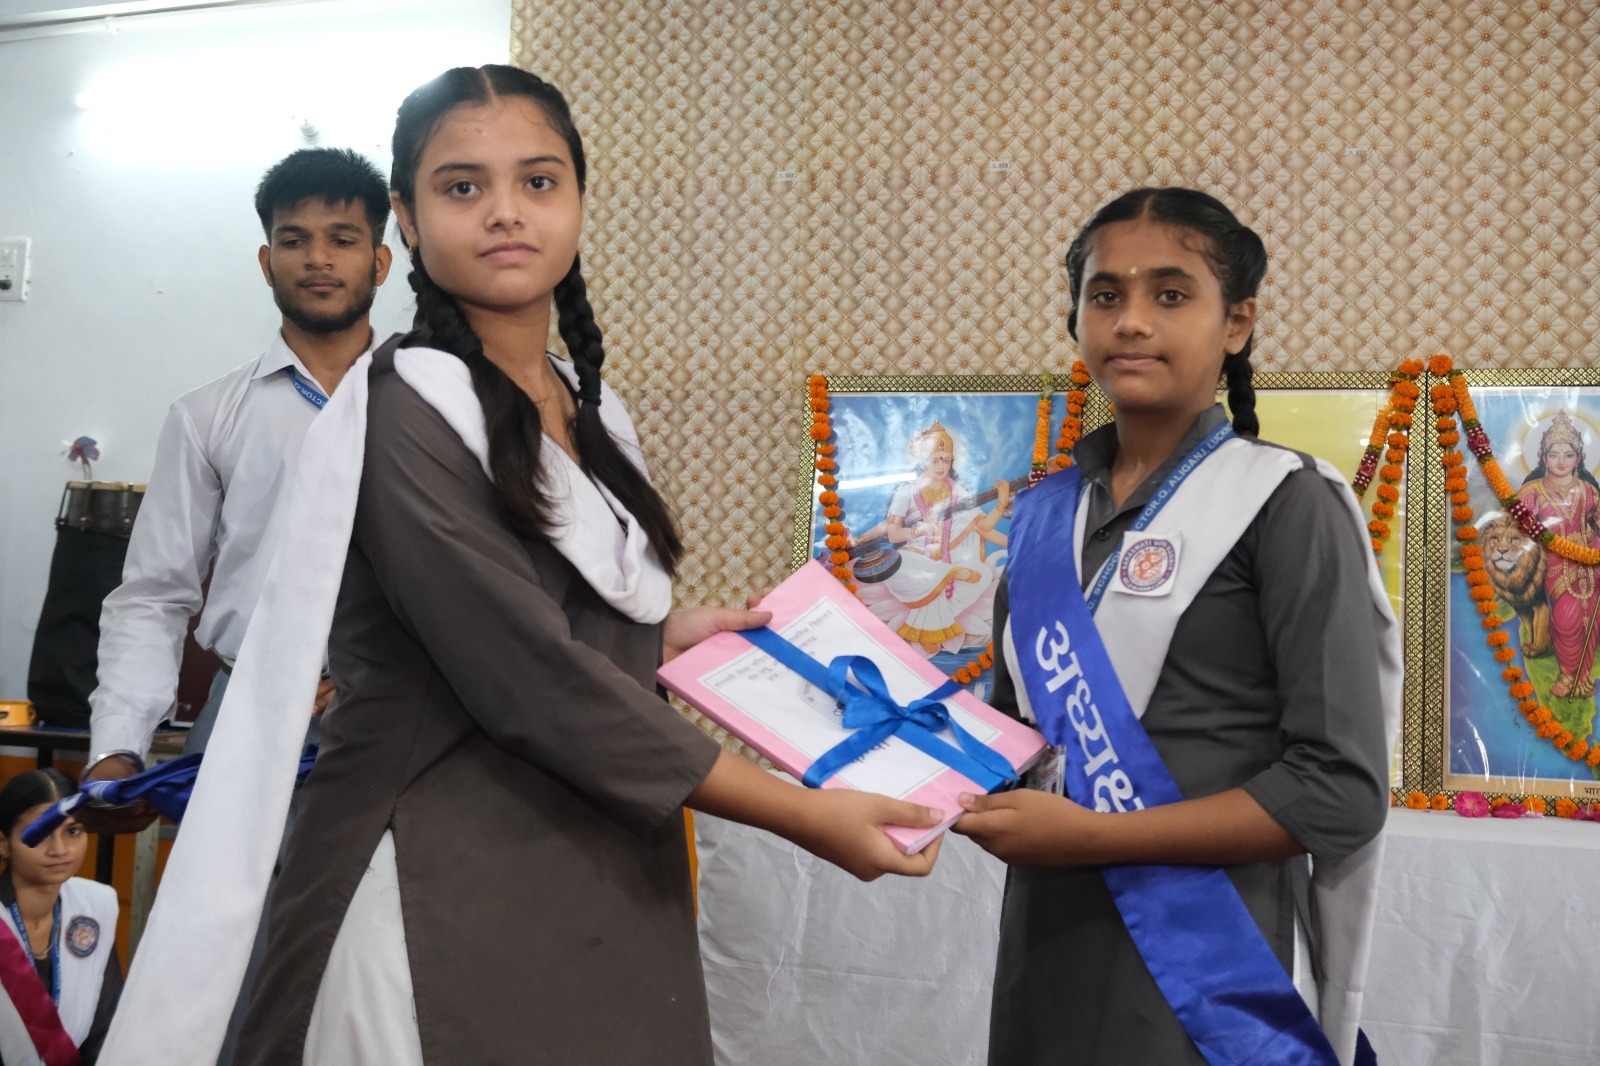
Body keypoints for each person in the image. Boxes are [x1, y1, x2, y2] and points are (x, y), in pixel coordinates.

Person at [102, 66, 944, 1066]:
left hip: (594, 851)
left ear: (579, 199)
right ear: (406, 221)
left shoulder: (588, 405)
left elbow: (548, 616)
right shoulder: (402, 410)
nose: (505, 211)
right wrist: (805, 815)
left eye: (538, 181)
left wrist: (664, 633)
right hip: (435, 867)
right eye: (462, 186)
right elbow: (533, 683)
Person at [952, 188, 1399, 1065]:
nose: (1130, 321)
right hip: (1049, 948)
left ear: (1237, 323)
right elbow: (1012, 739)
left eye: (1169, 293)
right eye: (1105, 295)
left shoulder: (1287, 502)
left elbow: (1338, 791)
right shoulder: (1044, 517)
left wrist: (1095, 837)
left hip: (1208, 973)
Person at [80, 146, 394, 822]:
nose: (317, 259)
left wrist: (373, 669)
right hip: (244, 709)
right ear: (266, 261)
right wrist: (119, 745)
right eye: (294, 240)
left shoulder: (430, 403)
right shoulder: (206, 416)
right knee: (226, 895)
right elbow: (155, 593)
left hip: (399, 711)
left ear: (380, 261)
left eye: (342, 240)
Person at [852, 422, 1011, 656]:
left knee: (983, 575)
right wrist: (914, 532)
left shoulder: (958, 492)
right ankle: (946, 587)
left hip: (946, 558)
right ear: (923, 460)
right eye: (935, 460)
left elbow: (984, 528)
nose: (941, 466)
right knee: (911, 566)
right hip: (912, 558)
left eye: (946, 460)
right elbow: (893, 533)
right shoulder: (907, 491)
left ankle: (934, 620)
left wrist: (1002, 505)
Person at [0, 770, 121, 1066]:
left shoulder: (95, 905)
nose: (60, 850)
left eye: (73, 831)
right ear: (3, 843)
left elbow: (105, 1029)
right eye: (40, 832)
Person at [1516, 412, 1600, 698]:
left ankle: (1582, 677)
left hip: (1589, 564)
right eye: (1554, 455)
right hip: (1554, 564)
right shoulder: (1532, 491)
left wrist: (1596, 544)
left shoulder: (1588, 490)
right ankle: (1567, 674)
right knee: (1566, 619)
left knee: (1590, 618)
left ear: (1579, 458)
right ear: (1543, 457)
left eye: (1568, 455)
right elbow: (1516, 527)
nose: (1561, 461)